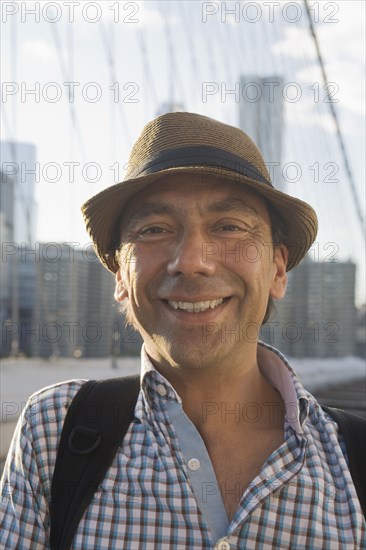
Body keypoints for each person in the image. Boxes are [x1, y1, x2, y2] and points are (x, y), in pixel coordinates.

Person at [1, 112, 364, 549]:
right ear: (120, 275)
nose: (191, 260)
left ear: (278, 270)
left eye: (229, 226)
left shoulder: (358, 463)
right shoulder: (55, 433)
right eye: (154, 230)